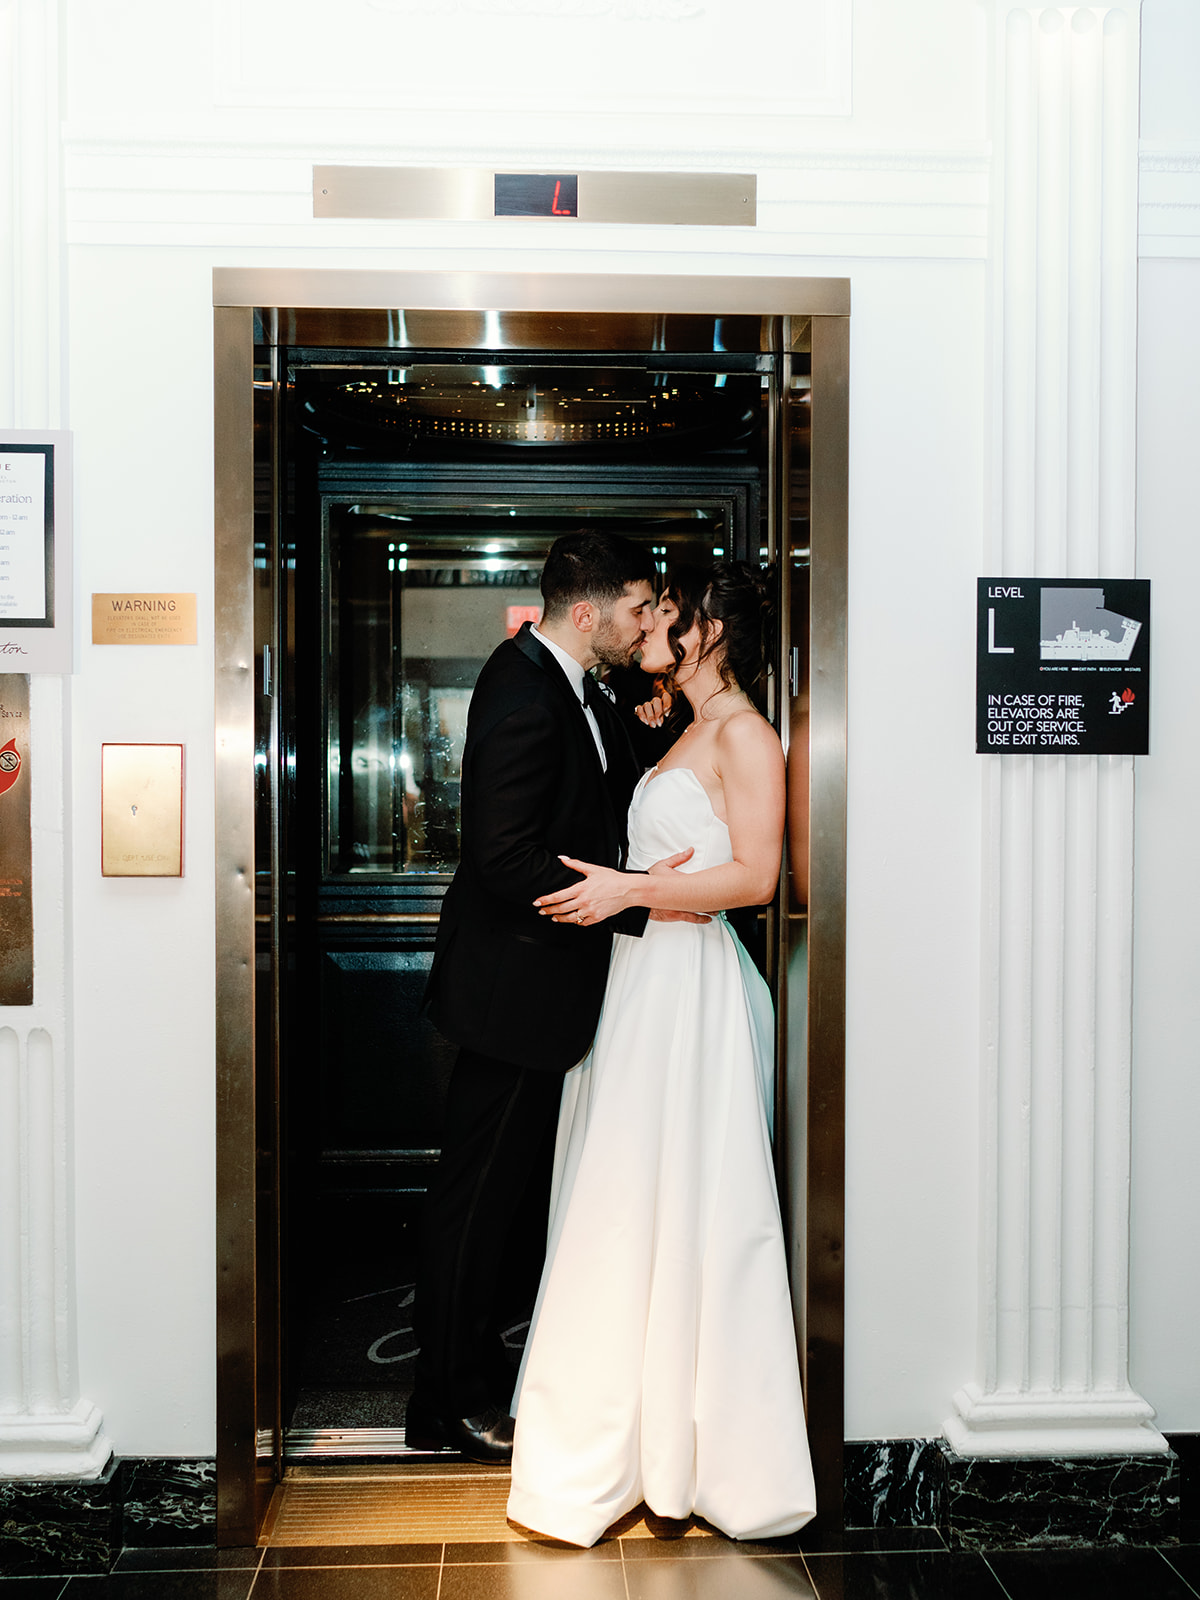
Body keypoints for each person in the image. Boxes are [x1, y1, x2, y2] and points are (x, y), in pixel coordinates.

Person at [506, 562, 816, 1545]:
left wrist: (629, 890)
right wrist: (631, 884)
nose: (649, 627)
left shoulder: (747, 735)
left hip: (692, 992)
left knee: (682, 1202)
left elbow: (757, 878)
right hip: (643, 984)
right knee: (622, 1198)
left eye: (669, 614)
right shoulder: (678, 724)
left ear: (712, 632)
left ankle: (696, 1450)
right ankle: (624, 1440)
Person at [409, 530, 701, 1463]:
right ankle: (447, 1404)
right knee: (475, 1202)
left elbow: (605, 785)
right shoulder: (525, 691)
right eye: (637, 609)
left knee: (503, 1200)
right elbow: (502, 857)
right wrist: (630, 898)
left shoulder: (575, 684)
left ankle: (469, 1374)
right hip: (512, 994)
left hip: (540, 994)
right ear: (587, 612)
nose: (646, 624)